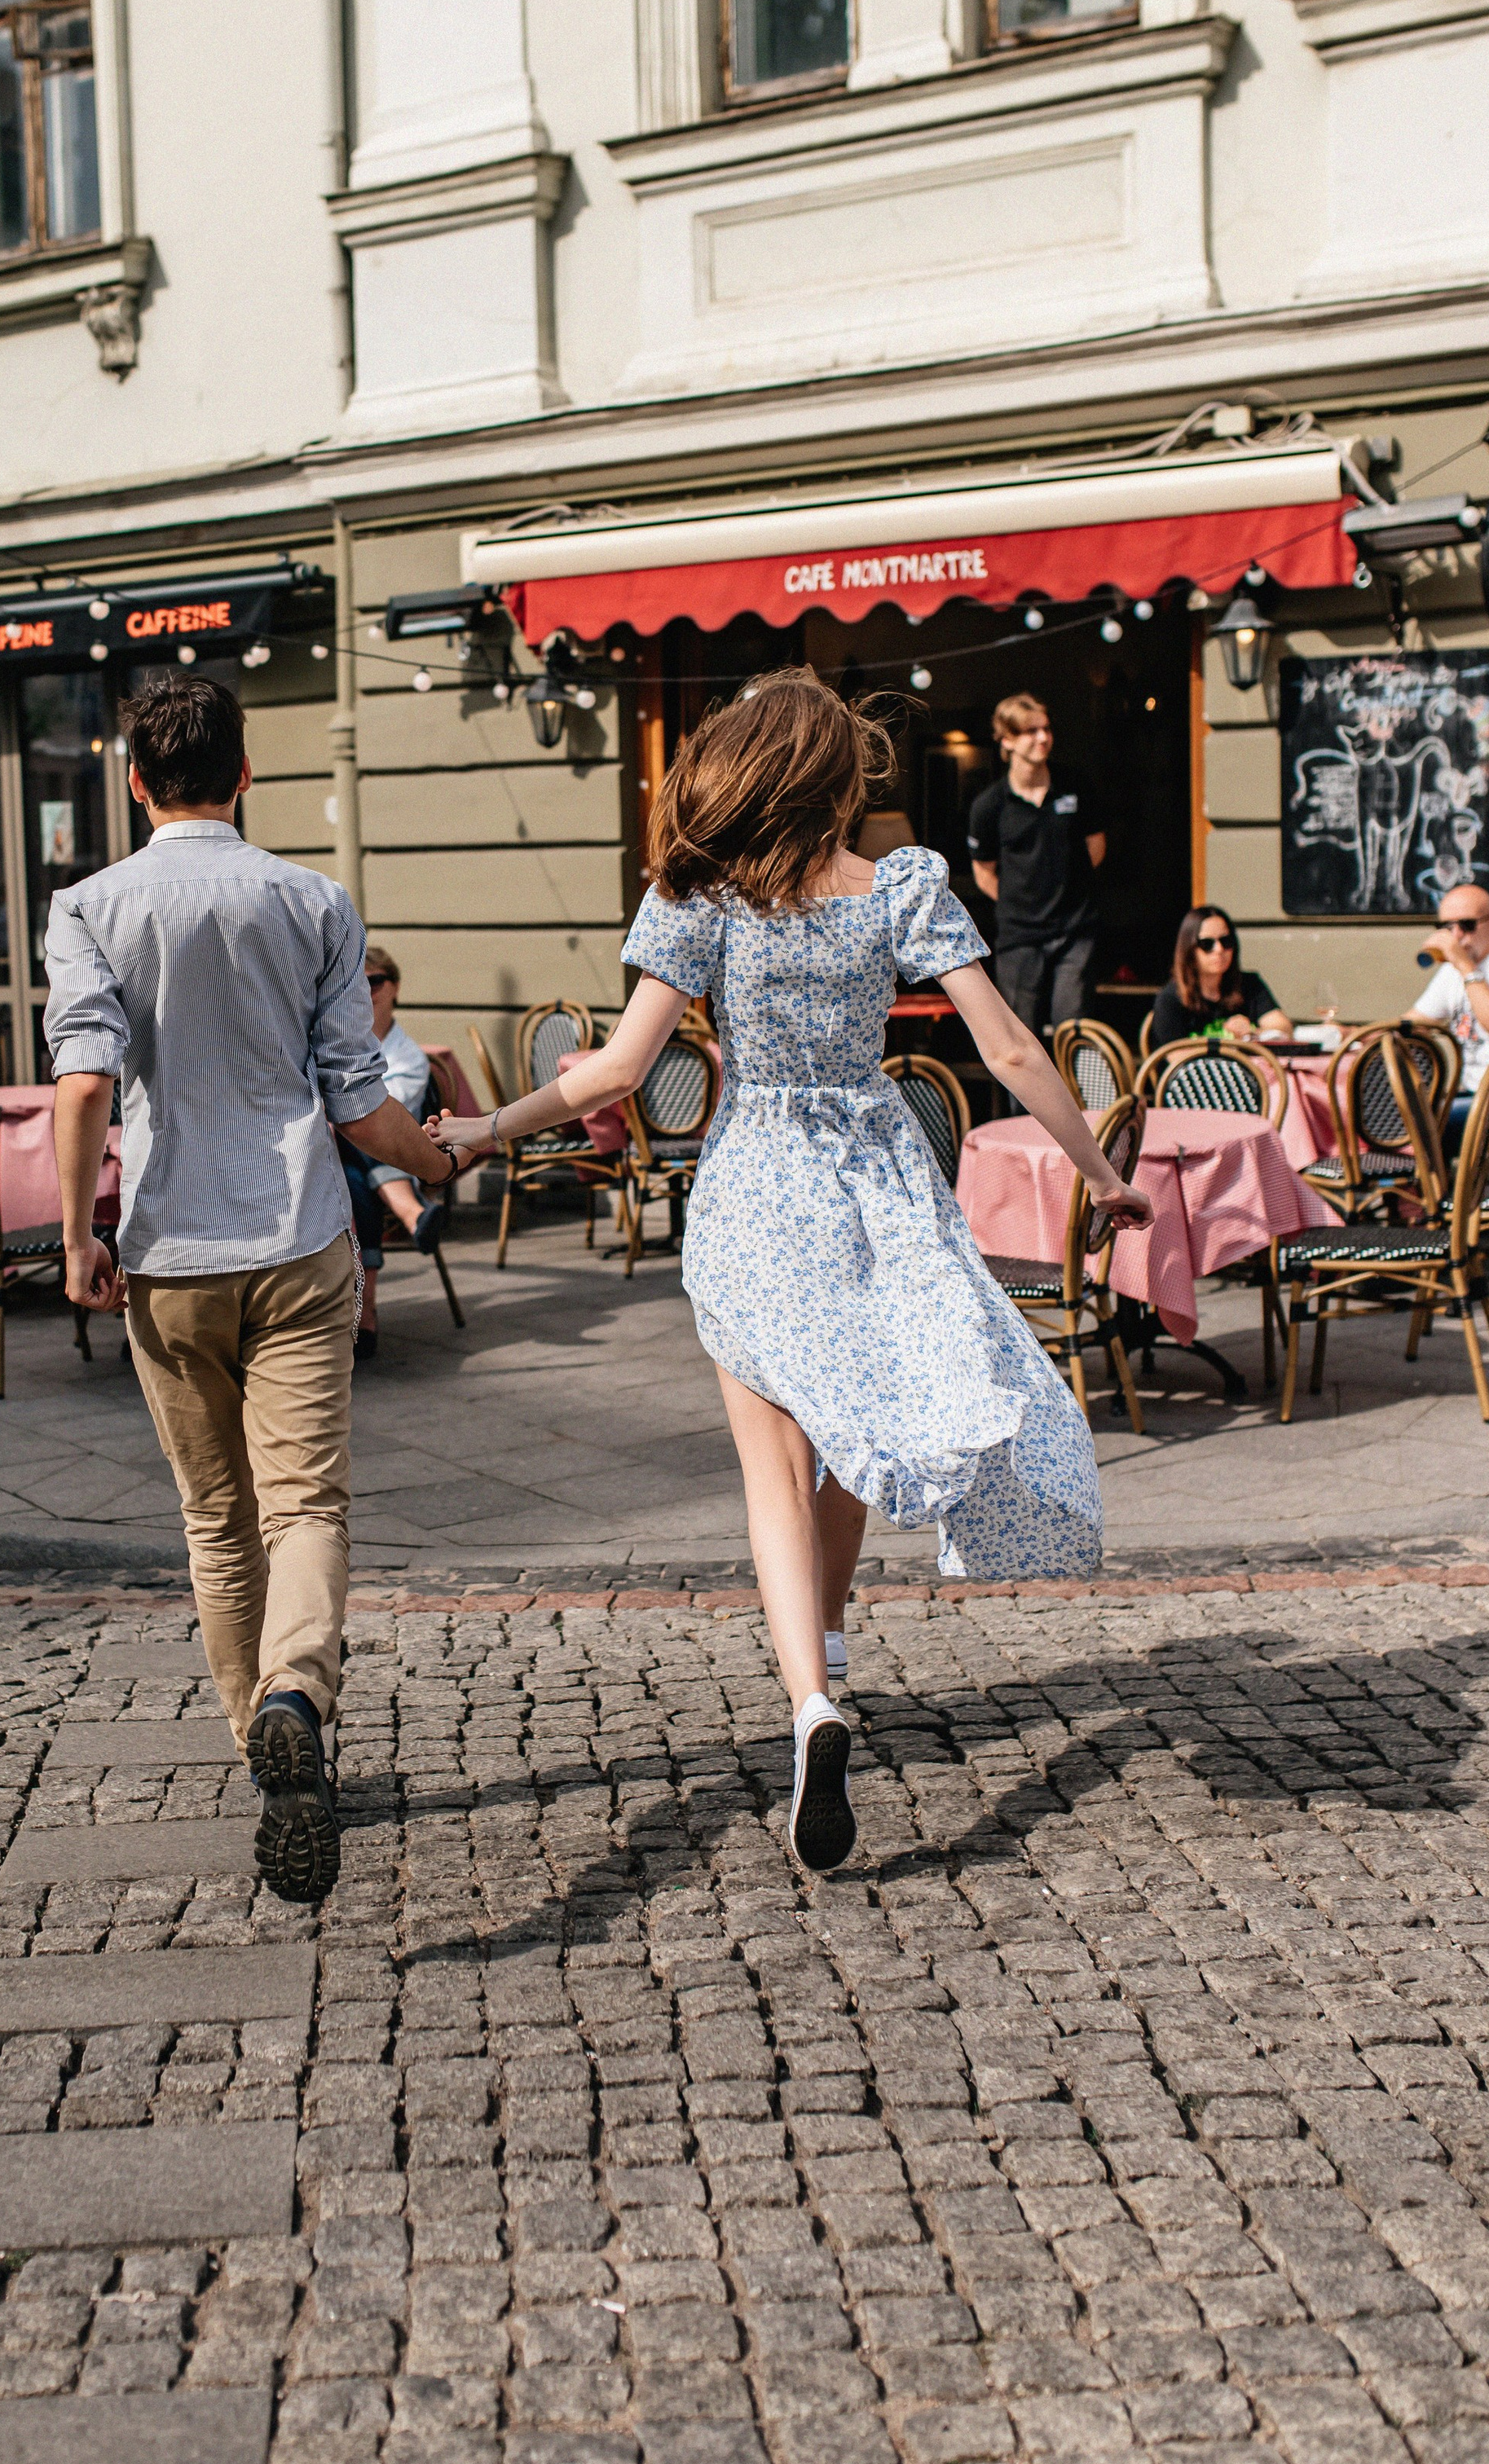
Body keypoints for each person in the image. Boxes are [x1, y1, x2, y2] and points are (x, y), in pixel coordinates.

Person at [428, 668, 1151, 1879]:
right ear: (836, 777)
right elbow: (1011, 1043)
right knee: (856, 1433)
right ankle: (829, 1639)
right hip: (873, 1177)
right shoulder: (901, 884)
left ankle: (812, 1699)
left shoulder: (698, 893)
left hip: (757, 1181)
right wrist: (1100, 1170)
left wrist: (480, 1133)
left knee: (773, 1465)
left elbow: (612, 1072)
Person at [46, 673, 459, 1903]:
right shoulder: (313, 902)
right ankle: (299, 1693)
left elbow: (81, 1087)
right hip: (296, 1239)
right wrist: (439, 1155)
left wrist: (80, 1235)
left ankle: (265, 1751)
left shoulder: (89, 907)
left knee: (219, 1523)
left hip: (169, 1251)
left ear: (135, 780)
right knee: (307, 1503)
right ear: (244, 772)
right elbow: (358, 1098)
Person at [967, 694, 1107, 1041]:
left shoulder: (1074, 786)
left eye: (1046, 729)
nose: (1044, 738)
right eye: (1031, 731)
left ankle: (1073, 1098)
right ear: (1007, 739)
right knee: (1020, 1041)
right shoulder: (990, 805)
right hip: (1020, 937)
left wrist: (1065, 888)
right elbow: (984, 871)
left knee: (1072, 1034)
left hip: (1075, 931)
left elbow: (1096, 847)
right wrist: (1022, 901)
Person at [339, 946, 447, 1357]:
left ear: (395, 987)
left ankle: (362, 1315)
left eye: (376, 981)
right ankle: (412, 1214)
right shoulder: (340, 1040)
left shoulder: (407, 1056)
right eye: (358, 982)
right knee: (352, 1179)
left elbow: (380, 1119)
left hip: (394, 1151)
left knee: (362, 1140)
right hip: (350, 1159)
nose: (367, 990)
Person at [1412, 882, 1489, 1143]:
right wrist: (1350, 1034)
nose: (1456, 935)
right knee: (1394, 1115)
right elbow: (1415, 1022)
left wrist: (1465, 966)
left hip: (1488, 1101)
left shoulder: (1467, 966)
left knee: (1419, 1125)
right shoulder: (1454, 971)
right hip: (1471, 1092)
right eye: (1447, 927)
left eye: (1467, 925)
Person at [1147, 907, 1292, 1054]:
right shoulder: (1170, 998)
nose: (1219, 949)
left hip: (1244, 1074)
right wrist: (1230, 1048)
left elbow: (1283, 1027)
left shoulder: (1250, 984)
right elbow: (1176, 1057)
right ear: (1189, 950)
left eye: (1226, 941)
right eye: (1207, 944)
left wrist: (1254, 1034)